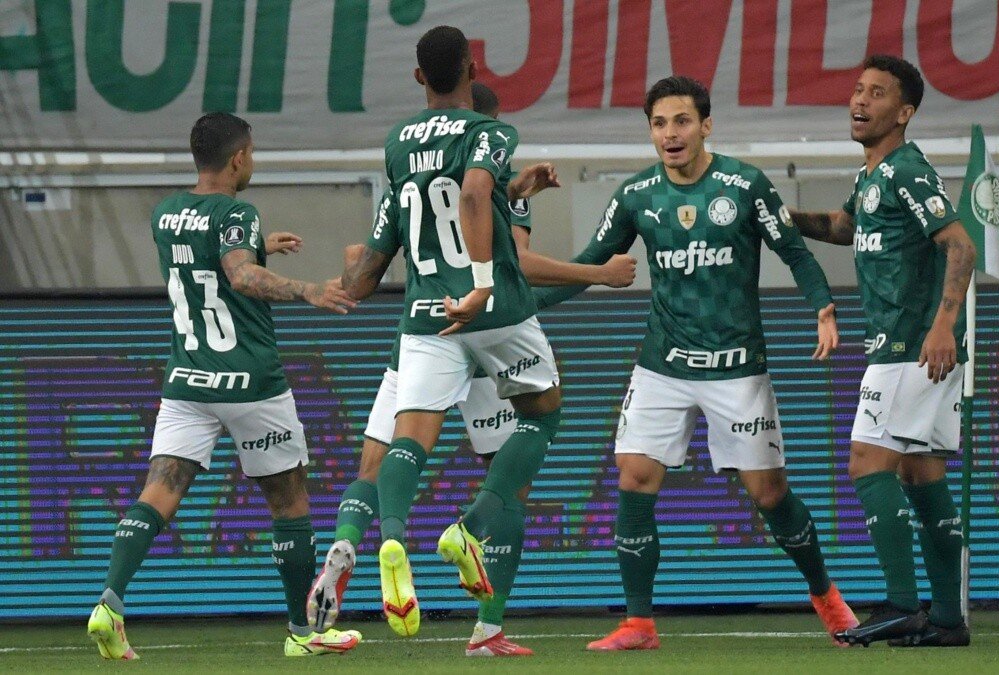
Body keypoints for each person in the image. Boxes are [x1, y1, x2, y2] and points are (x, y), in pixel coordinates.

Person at [305, 81, 636, 656]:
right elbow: (518, 265)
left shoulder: (404, 164)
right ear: (486, 122)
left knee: (381, 458)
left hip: (422, 328)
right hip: (489, 335)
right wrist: (597, 275)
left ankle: (367, 541)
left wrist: (333, 284)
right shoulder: (487, 150)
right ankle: (485, 618)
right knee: (514, 475)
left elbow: (369, 261)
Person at [535, 75, 859, 651]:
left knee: (769, 493)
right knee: (635, 476)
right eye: (659, 124)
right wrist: (516, 307)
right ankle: (639, 623)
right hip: (662, 364)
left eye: (681, 121)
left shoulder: (745, 185)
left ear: (705, 125)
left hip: (737, 369)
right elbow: (588, 264)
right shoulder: (636, 197)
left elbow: (796, 253)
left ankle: (827, 598)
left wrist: (823, 308)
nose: (670, 134)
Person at [86, 112, 362, 659]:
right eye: (252, 154)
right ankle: (303, 635)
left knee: (160, 491)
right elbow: (237, 274)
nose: (252, 162)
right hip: (250, 382)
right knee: (289, 504)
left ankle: (110, 604)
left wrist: (258, 246)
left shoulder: (166, 214)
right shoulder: (238, 211)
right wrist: (306, 288)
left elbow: (212, 260)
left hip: (187, 379)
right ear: (238, 157)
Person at [333, 25, 567, 657]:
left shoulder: (396, 143)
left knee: (409, 436)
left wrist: (335, 281)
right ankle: (471, 529)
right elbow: (469, 191)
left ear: (418, 77)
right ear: (472, 67)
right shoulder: (488, 131)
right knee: (542, 415)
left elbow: (380, 256)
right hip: (492, 310)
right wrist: (484, 284)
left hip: (425, 313)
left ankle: (392, 537)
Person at [787, 55, 976, 647]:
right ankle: (946, 618)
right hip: (914, 345)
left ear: (905, 112)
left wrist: (942, 325)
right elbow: (845, 227)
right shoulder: (874, 175)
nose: (860, 101)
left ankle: (900, 604)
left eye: (877, 93)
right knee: (922, 475)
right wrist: (777, 218)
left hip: (910, 345)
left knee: (868, 464)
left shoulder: (905, 171)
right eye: (858, 89)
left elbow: (960, 246)